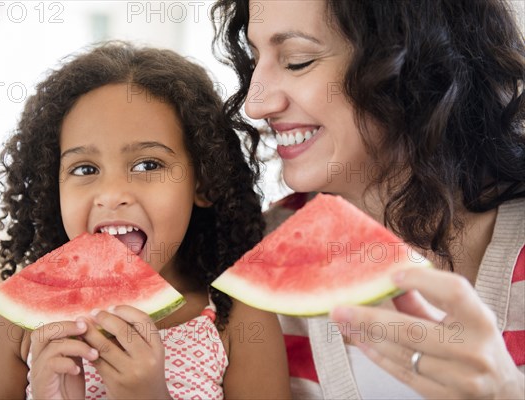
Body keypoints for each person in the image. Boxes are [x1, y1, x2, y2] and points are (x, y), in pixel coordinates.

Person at [212, 0, 525, 398]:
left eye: (297, 60)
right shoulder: (254, 259)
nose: (255, 105)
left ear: (412, 63)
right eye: (255, 58)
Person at [0, 41, 291, 400]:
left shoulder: (240, 322)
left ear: (203, 182)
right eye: (85, 168)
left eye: (148, 165)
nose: (111, 193)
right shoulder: (16, 323)